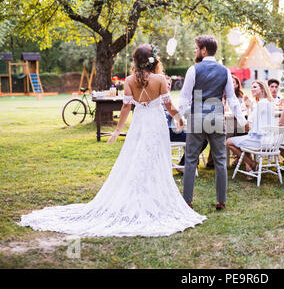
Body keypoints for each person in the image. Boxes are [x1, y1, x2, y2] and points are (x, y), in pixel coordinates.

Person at [19, 44, 206, 237]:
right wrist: (179, 119)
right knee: (155, 158)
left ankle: (140, 196)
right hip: (156, 124)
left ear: (136, 61)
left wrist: (118, 130)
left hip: (140, 123)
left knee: (136, 157)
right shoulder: (159, 79)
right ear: (154, 60)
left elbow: (125, 108)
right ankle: (150, 197)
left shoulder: (130, 81)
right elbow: (168, 105)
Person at [178, 35, 246, 211]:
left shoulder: (193, 69)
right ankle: (221, 200)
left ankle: (187, 200)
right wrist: (242, 119)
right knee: (221, 160)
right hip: (216, 117)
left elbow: (185, 97)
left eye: (196, 48)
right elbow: (231, 98)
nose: (195, 51)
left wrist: (179, 117)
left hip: (197, 118)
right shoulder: (224, 71)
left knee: (191, 160)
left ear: (204, 50)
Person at [226, 80, 275, 180]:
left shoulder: (260, 104)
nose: (252, 89)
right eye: (252, 87)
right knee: (240, 139)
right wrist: (250, 106)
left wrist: (248, 106)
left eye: (255, 87)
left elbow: (249, 124)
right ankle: (250, 166)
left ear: (262, 89)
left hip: (260, 140)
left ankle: (251, 163)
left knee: (228, 142)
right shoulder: (267, 102)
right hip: (269, 140)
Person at [163, 75, 208, 173]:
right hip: (168, 133)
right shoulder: (160, 99)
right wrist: (176, 116)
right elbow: (167, 114)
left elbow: (176, 113)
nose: (168, 86)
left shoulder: (166, 98)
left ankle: (183, 164)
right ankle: (183, 165)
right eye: (166, 84)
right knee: (202, 141)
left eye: (169, 84)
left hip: (174, 131)